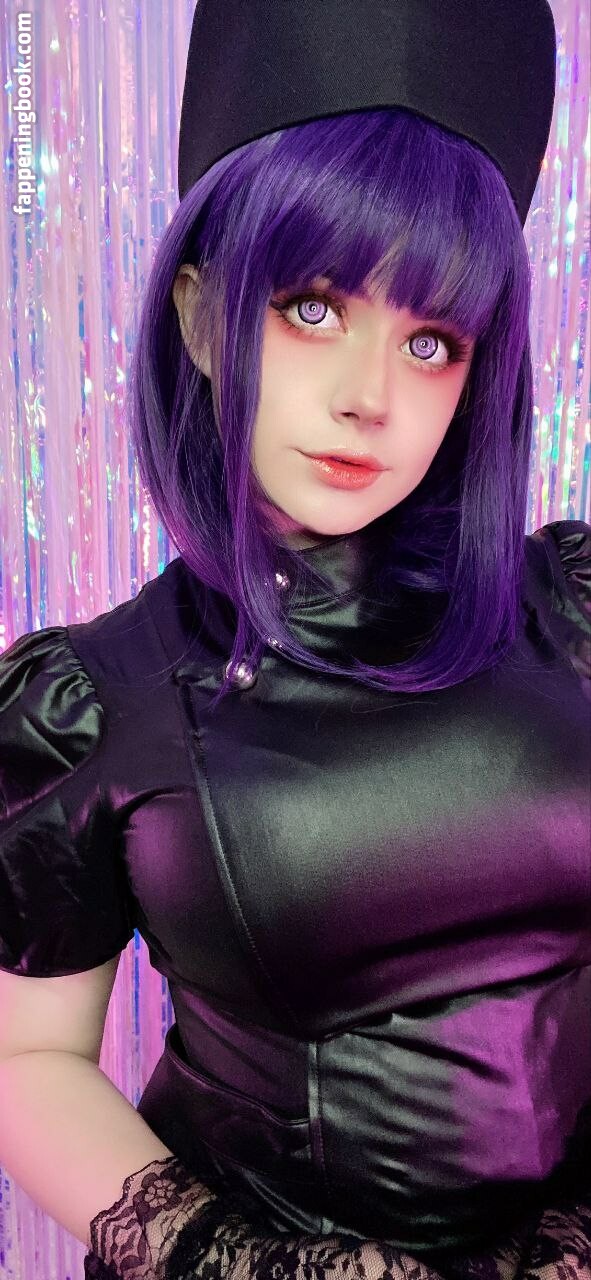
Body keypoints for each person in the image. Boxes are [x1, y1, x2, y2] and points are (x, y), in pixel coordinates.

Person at [0, 2, 589, 1278]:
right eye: (314, 307)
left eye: (430, 340)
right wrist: (238, 1261)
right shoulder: (94, 699)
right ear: (203, 314)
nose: (370, 396)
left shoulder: (577, 614)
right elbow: (30, 1055)